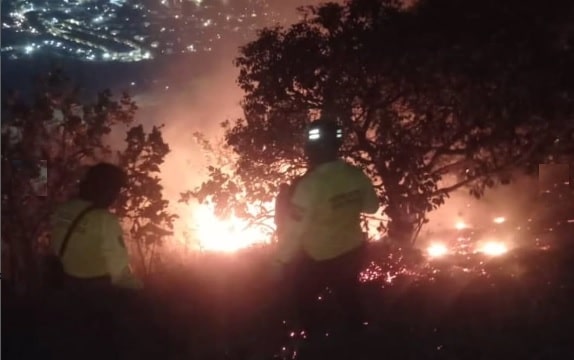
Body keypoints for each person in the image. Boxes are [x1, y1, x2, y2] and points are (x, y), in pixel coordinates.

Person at [273, 118, 380, 342]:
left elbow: (294, 231)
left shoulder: (309, 185)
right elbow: (372, 206)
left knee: (304, 298)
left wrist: (279, 261)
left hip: (319, 257)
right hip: (352, 249)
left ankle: (316, 342)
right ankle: (359, 337)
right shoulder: (355, 174)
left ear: (313, 149)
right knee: (349, 293)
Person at [49, 162, 146, 359]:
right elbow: (119, 272)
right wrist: (141, 291)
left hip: (63, 290)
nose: (116, 196)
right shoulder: (105, 220)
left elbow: (54, 244)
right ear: (103, 188)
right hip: (96, 297)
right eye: (115, 189)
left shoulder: (63, 210)